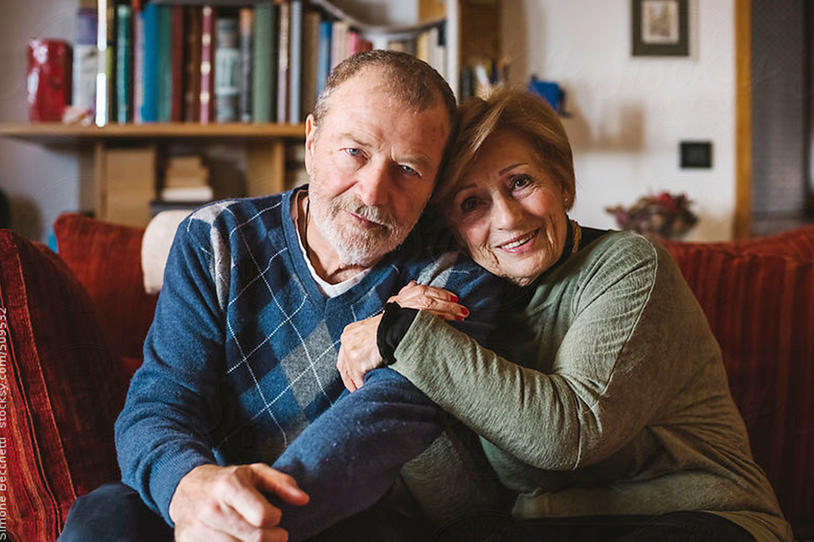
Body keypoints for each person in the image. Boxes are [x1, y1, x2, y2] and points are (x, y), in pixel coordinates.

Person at [58, 51, 503, 542]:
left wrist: (247, 525)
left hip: (347, 514)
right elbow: (162, 401)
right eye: (354, 152)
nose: (373, 191)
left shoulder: (453, 277)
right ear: (312, 141)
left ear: (435, 184)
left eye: (408, 169)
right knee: (102, 516)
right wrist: (191, 491)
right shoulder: (216, 237)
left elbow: (384, 424)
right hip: (211, 501)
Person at [338, 88, 793, 541]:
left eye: (520, 182)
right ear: (453, 228)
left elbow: (571, 434)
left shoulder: (629, 265)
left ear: (563, 183)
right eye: (471, 203)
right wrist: (397, 366)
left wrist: (404, 336)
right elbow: (463, 508)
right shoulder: (455, 304)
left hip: (700, 515)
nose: (510, 219)